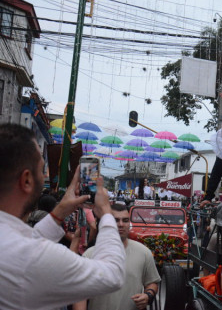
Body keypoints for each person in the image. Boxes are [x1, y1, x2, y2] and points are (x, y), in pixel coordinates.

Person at [0, 123, 125, 310]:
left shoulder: (12, 242)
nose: (45, 177)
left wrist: (59, 213)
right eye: (42, 170)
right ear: (26, 180)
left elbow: (21, 244)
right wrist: (106, 213)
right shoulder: (30, 255)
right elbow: (112, 275)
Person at [73, 204, 160, 310]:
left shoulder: (144, 252)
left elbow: (151, 282)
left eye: (125, 220)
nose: (121, 224)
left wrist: (148, 295)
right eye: (116, 220)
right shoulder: (90, 255)